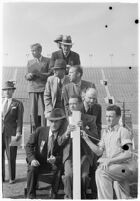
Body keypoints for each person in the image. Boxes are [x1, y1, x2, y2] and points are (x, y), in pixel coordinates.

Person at [82, 105, 135, 199]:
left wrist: (109, 161)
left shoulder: (122, 131)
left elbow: (128, 154)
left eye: (111, 116)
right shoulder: (106, 133)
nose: (108, 119)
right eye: (106, 116)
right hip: (115, 168)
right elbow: (98, 152)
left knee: (101, 172)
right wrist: (87, 139)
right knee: (123, 196)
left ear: (118, 117)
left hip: (125, 168)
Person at [57, 95, 99, 199]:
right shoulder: (63, 120)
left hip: (84, 154)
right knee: (68, 176)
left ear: (80, 104)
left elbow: (96, 138)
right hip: (69, 155)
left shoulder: (90, 119)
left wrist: (84, 128)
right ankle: (69, 197)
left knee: (84, 176)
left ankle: (82, 196)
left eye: (74, 104)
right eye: (70, 104)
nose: (71, 106)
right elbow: (59, 142)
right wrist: (67, 132)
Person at [26, 108, 68, 199]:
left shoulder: (64, 136)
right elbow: (29, 146)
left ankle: (54, 194)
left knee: (59, 168)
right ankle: (30, 196)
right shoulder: (40, 131)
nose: (53, 124)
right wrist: (32, 159)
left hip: (53, 164)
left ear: (61, 122)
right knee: (32, 168)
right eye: (52, 121)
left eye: (56, 122)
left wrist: (56, 159)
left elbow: (65, 155)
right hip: (38, 162)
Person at [25, 43, 50, 132]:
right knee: (33, 110)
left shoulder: (48, 60)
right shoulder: (30, 62)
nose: (32, 52)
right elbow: (26, 76)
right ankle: (34, 130)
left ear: (40, 50)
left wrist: (39, 74)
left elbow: (50, 74)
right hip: (32, 88)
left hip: (43, 88)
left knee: (45, 109)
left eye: (34, 50)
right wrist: (29, 75)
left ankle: (45, 128)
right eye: (31, 51)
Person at [2, 81, 24, 184]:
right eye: (5, 90)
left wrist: (19, 132)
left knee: (11, 155)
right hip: (1, 132)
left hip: (12, 133)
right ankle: (1, 177)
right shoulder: (1, 102)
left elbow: (20, 119)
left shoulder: (18, 103)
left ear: (13, 91)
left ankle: (12, 177)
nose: (7, 92)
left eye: (9, 89)